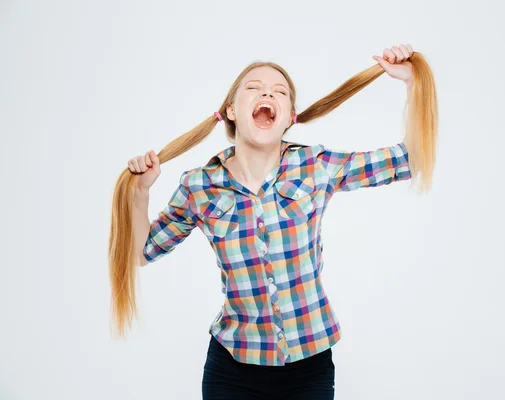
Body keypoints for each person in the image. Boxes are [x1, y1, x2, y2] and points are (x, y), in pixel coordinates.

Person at [109, 44, 438, 399]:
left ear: (290, 117)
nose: (267, 92)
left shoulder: (316, 166)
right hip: (231, 369)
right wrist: (140, 193)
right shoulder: (199, 186)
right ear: (231, 111)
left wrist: (410, 84)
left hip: (308, 367)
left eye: (279, 91)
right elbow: (144, 252)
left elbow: (409, 160)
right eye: (253, 87)